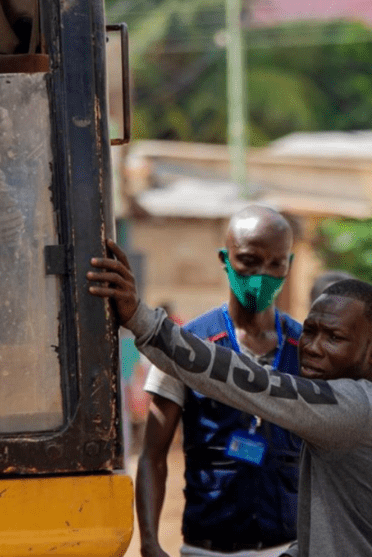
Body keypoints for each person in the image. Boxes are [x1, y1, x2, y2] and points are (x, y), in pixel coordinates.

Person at [88, 240, 372, 557]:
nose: (313, 348)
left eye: (333, 338)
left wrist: (142, 320)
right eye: (311, 331)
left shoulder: (359, 409)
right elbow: (340, 526)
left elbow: (252, 382)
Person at [137, 206, 303, 557]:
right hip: (208, 550)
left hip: (288, 548)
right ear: (225, 259)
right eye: (249, 260)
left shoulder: (306, 349)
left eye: (276, 265)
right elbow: (153, 455)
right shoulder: (185, 346)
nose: (262, 276)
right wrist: (150, 541)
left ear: (289, 264)